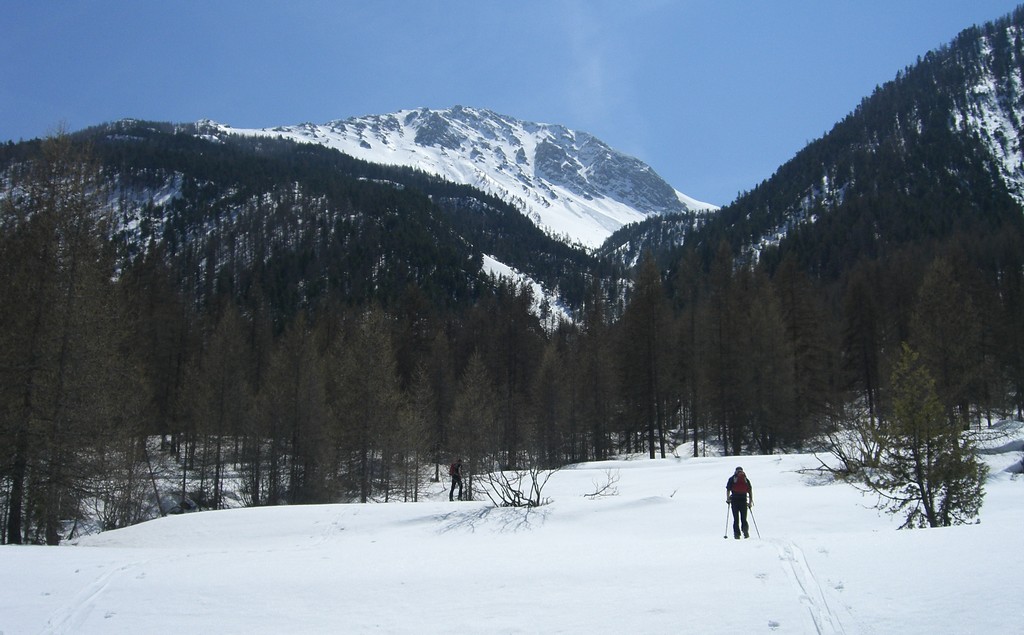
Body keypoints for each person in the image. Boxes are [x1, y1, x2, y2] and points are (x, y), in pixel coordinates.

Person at [726, 466, 753, 539]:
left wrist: (728, 499)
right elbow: (750, 491)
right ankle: (745, 531)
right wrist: (750, 502)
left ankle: (737, 534)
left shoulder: (732, 479)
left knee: (736, 518)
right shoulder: (745, 479)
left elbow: (728, 489)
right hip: (743, 500)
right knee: (744, 518)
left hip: (734, 500)